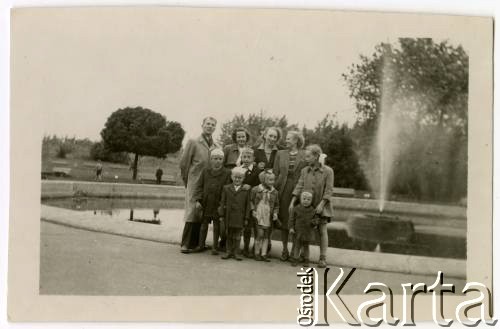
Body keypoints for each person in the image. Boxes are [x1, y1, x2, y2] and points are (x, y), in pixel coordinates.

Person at [179, 117, 218, 253]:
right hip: (194, 182)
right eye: (208, 124)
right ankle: (186, 243)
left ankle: (198, 243)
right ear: (202, 125)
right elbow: (184, 165)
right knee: (192, 211)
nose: (210, 126)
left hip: (208, 184)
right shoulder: (193, 142)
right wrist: (188, 182)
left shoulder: (215, 146)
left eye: (213, 125)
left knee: (202, 212)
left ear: (215, 128)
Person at [291, 144, 334, 268]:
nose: (306, 158)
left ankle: (323, 257)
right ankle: (304, 257)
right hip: (305, 206)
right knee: (304, 230)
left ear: (316, 156)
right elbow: (299, 185)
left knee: (322, 230)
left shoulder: (328, 171)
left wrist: (322, 204)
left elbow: (329, 190)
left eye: (308, 156)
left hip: (321, 205)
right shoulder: (305, 170)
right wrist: (293, 201)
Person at [273, 130, 308, 261]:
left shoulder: (305, 154)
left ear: (296, 140)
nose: (286, 141)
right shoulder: (280, 154)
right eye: (286, 139)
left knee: (296, 220)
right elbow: (276, 173)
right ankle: (284, 249)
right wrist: (274, 189)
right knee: (284, 220)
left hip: (299, 188)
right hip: (283, 189)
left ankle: (295, 249)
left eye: (288, 139)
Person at [193, 149, 232, 254]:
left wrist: (223, 204)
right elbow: (199, 186)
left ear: (223, 160)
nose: (217, 161)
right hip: (206, 202)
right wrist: (198, 200)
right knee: (203, 224)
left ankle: (215, 247)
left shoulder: (227, 173)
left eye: (220, 159)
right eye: (215, 158)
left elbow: (228, 189)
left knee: (216, 225)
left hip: (218, 203)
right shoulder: (205, 171)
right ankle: (201, 245)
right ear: (211, 160)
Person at [219, 167, 251, 261]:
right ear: (232, 177)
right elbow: (222, 202)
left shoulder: (246, 190)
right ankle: (228, 252)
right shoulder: (226, 188)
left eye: (240, 178)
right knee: (229, 234)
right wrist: (221, 215)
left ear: (243, 178)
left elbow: (247, 205)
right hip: (229, 216)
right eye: (236, 177)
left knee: (237, 236)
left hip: (240, 217)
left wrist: (246, 218)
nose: (237, 179)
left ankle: (236, 252)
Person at [251, 170, 280, 262]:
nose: (272, 182)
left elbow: (276, 205)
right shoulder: (256, 190)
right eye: (270, 180)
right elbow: (251, 201)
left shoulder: (274, 192)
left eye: (273, 180)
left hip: (268, 216)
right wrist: (252, 210)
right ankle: (256, 253)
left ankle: (264, 254)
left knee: (267, 235)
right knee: (260, 234)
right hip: (259, 214)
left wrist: (275, 213)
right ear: (263, 180)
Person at [239, 147, 262, 257]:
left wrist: (251, 186)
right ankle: (244, 247)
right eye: (244, 157)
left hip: (253, 201)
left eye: (249, 157)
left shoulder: (257, 171)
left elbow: (261, 185)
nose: (247, 159)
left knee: (255, 224)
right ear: (241, 157)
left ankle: (255, 248)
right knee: (245, 225)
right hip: (242, 201)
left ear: (253, 159)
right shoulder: (239, 169)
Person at [289, 191, 315, 267]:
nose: (306, 201)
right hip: (298, 231)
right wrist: (291, 227)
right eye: (304, 199)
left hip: (307, 231)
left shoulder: (312, 210)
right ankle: (295, 259)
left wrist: (315, 222)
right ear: (300, 199)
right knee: (297, 246)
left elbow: (315, 219)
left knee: (306, 246)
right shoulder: (296, 208)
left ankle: (306, 259)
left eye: (308, 199)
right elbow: (292, 219)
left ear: (311, 201)